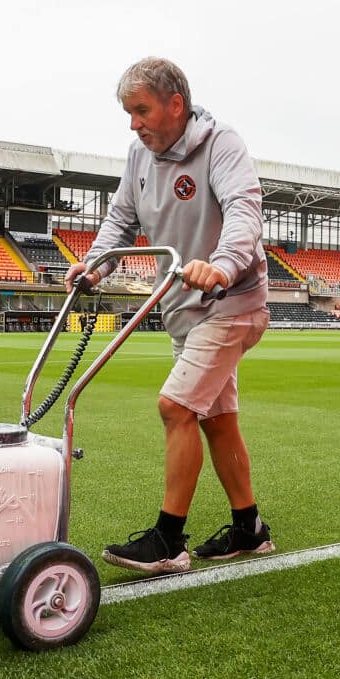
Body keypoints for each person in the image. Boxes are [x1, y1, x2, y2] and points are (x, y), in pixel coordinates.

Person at [67, 58, 272, 574]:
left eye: (141, 110)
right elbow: (121, 218)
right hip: (184, 310)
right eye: (128, 113)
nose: (134, 123)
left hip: (231, 302)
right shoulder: (139, 154)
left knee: (175, 407)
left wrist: (222, 266)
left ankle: (168, 540)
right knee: (217, 420)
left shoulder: (221, 145)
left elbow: (245, 212)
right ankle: (249, 530)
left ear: (175, 104)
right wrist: (94, 266)